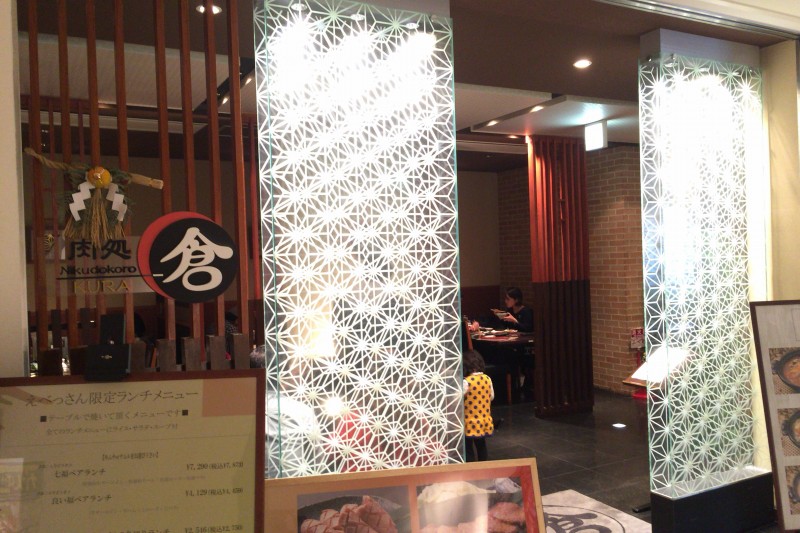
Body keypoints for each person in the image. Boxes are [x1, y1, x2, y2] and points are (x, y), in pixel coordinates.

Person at [463, 349, 494, 461]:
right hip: (483, 419)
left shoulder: (466, 382)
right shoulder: (487, 379)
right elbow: (491, 396)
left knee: (468, 447)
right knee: (481, 445)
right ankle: (483, 466)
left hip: (469, 421)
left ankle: (471, 468)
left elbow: (458, 398)